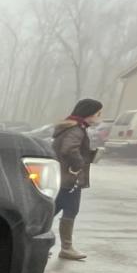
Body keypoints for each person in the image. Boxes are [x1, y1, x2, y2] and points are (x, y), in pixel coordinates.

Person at [51, 98, 102, 261]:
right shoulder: (76, 130)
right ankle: (66, 248)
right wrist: (79, 164)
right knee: (70, 210)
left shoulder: (70, 127)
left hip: (62, 176)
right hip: (70, 178)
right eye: (98, 113)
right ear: (89, 113)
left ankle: (38, 243)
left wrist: (89, 154)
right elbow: (69, 149)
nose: (99, 117)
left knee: (52, 209)